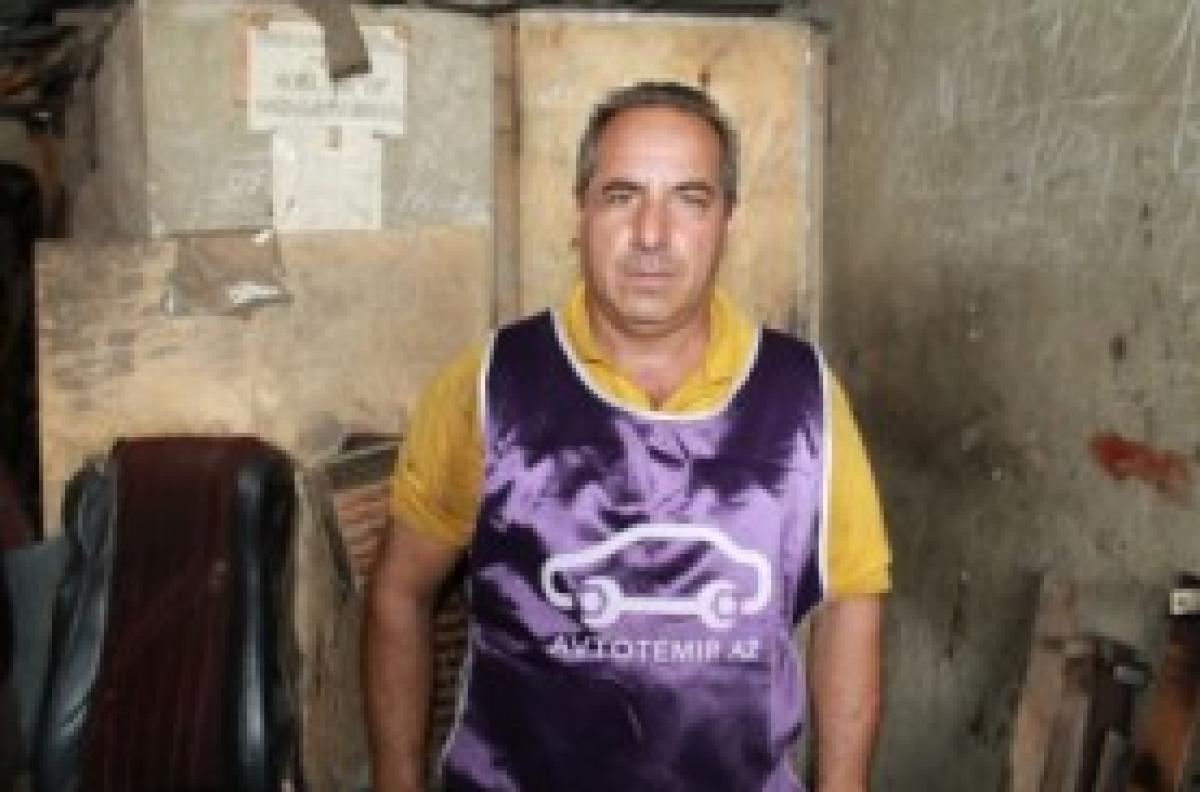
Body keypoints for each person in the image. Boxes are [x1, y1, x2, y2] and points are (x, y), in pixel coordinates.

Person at [365, 81, 890, 792]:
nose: (651, 234)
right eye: (621, 195)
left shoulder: (804, 396)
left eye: (689, 199)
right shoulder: (487, 385)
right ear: (580, 212)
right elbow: (400, 593)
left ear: (727, 221)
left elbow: (851, 603)